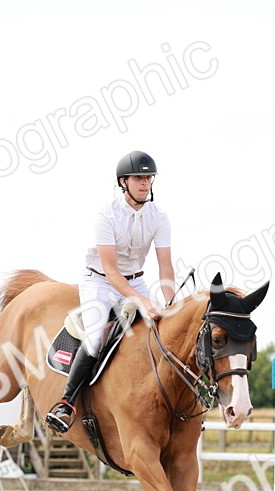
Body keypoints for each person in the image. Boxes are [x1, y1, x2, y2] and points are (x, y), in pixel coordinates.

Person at [45, 151, 176, 433]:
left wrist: (170, 303)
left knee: (165, 329)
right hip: (101, 281)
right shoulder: (106, 215)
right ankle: (66, 403)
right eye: (139, 178)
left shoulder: (159, 217)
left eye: (148, 177)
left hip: (137, 279)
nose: (145, 183)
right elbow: (112, 271)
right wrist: (142, 300)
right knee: (94, 338)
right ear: (123, 182)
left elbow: (165, 266)